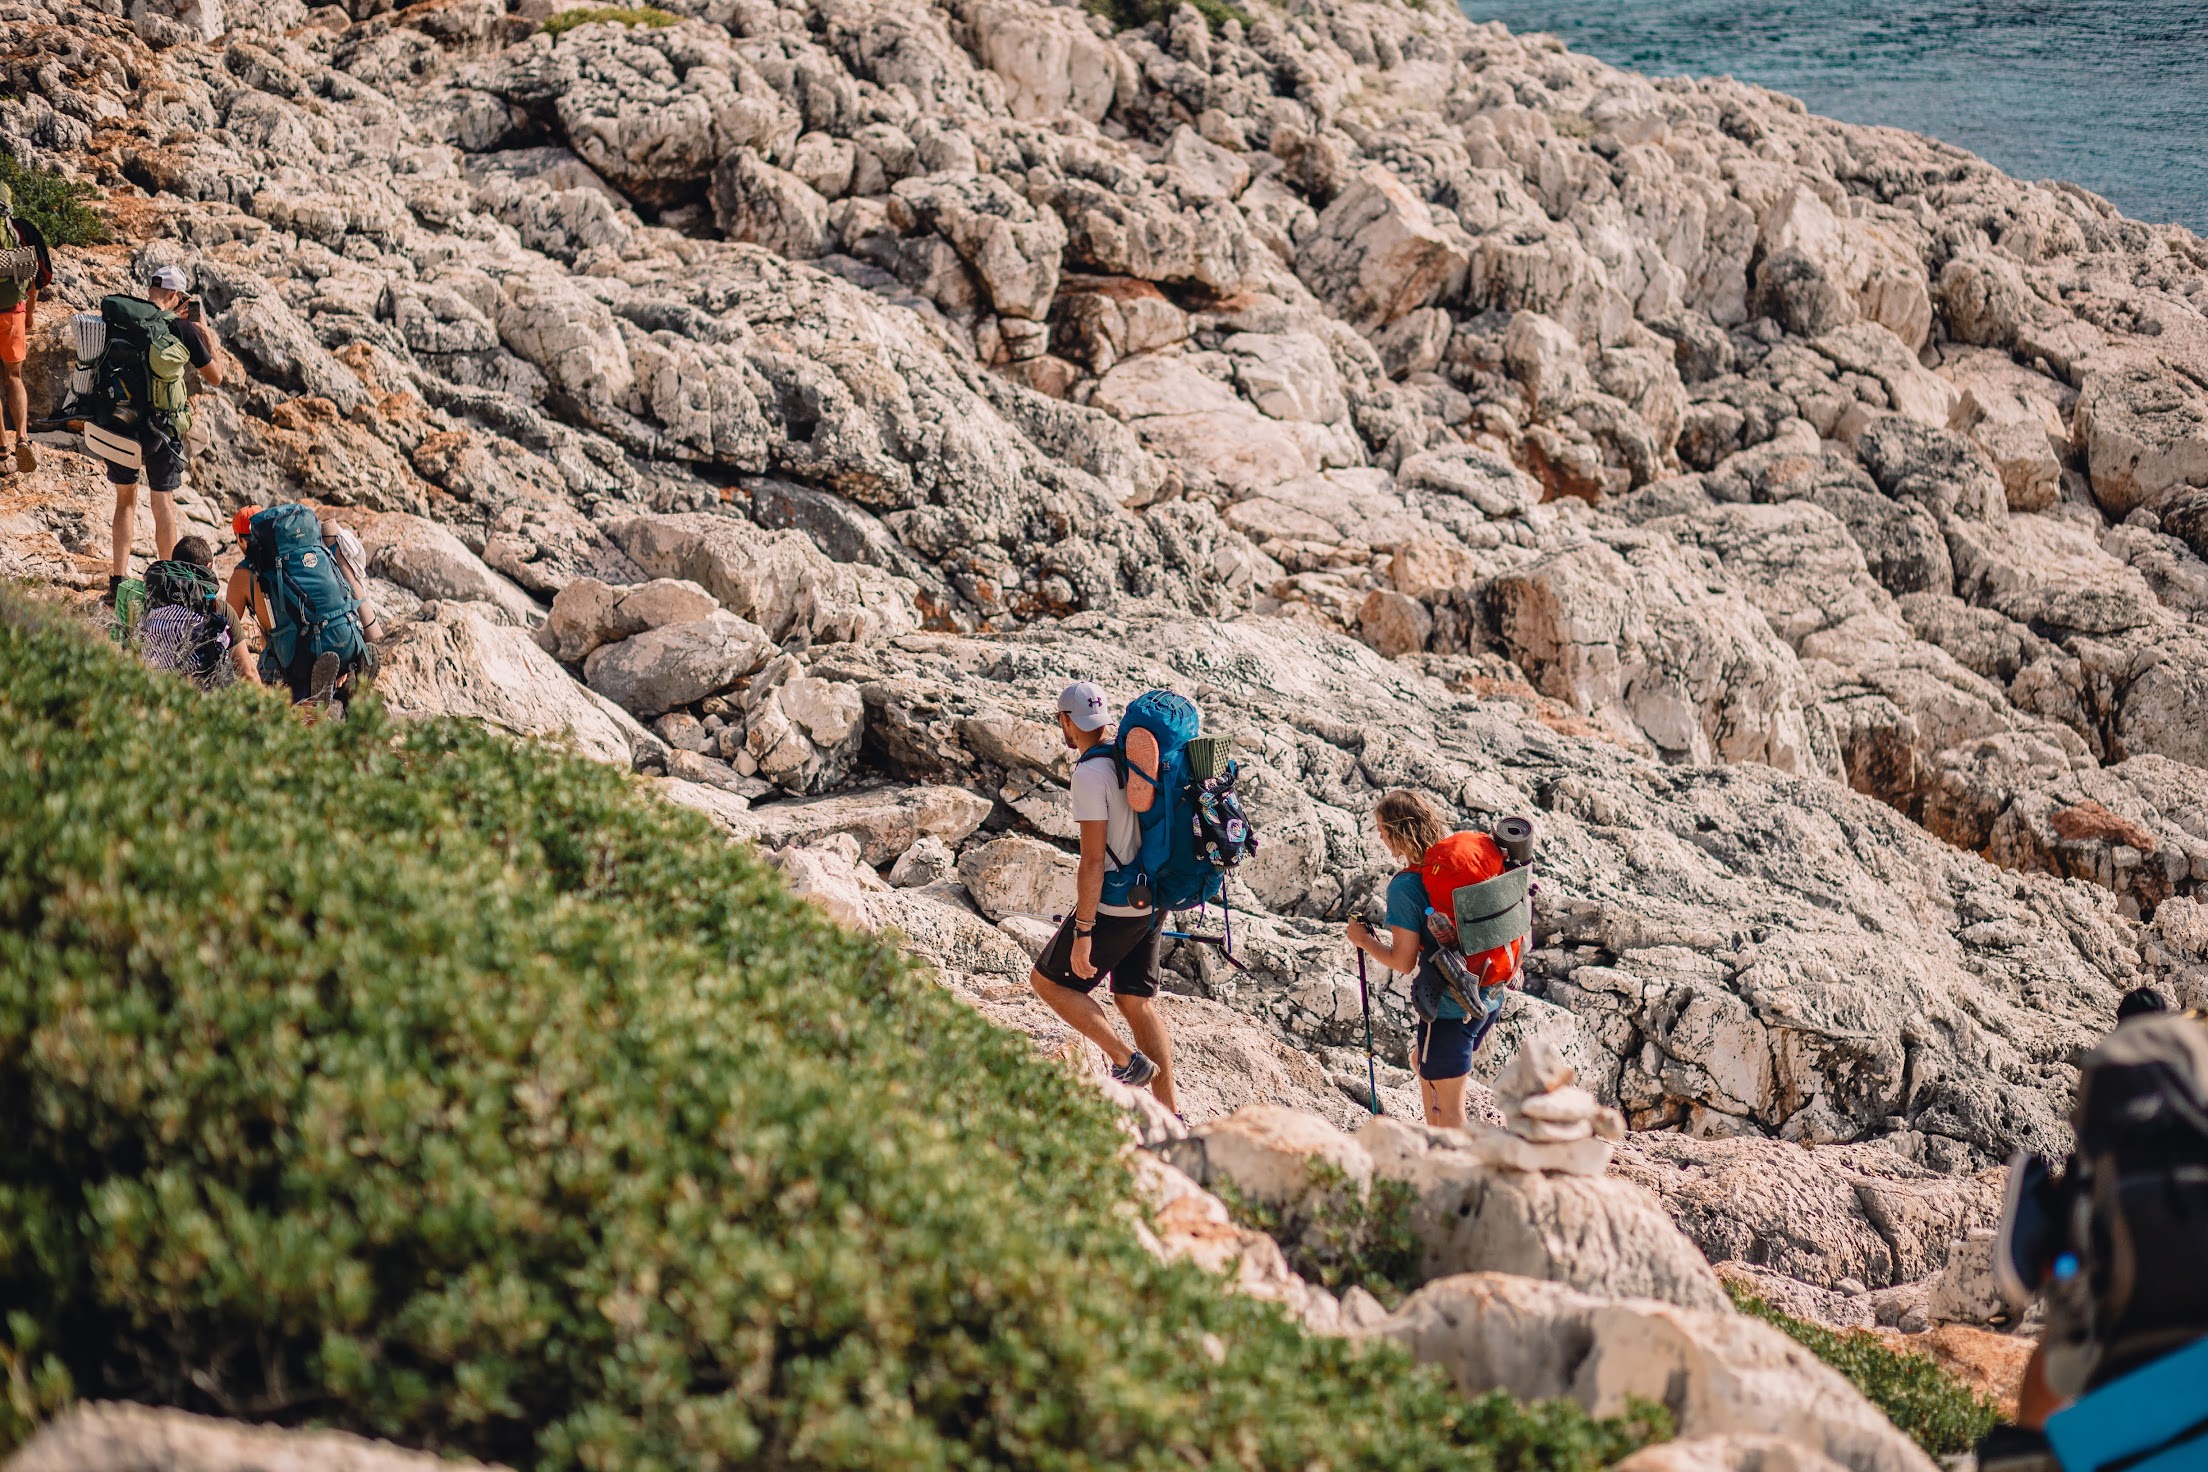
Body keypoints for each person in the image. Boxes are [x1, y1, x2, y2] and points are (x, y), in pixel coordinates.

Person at [1027, 680, 1179, 1113]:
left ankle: (1127, 1061)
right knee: (1134, 1000)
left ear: (1067, 721)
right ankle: (1172, 1116)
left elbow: (1093, 860)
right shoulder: (1132, 757)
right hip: (1154, 896)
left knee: (1048, 982)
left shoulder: (1090, 774)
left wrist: (1083, 931)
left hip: (1118, 902)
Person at [1347, 789, 1497, 1130]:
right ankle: (1436, 1138)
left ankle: (1446, 1155)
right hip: (1489, 992)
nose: (1380, 838)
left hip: (1451, 1005)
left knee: (1451, 1115)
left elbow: (1402, 962)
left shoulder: (1406, 887)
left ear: (1397, 833)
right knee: (1422, 1061)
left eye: (1382, 831)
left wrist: (1364, 940)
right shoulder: (1456, 865)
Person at [95, 264, 225, 602]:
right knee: (162, 501)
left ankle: (118, 580)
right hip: (161, 429)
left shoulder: (125, 318)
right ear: (176, 295)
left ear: (152, 290)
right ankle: (168, 586)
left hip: (120, 421)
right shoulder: (183, 328)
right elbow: (216, 376)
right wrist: (203, 331)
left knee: (125, 500)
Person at [225, 504, 372, 713]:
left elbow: (228, 628)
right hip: (329, 641)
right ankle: (349, 685)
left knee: (276, 712)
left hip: (291, 661)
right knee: (319, 698)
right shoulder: (293, 560)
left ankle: (312, 704)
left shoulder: (242, 575)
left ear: (240, 539)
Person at [136, 535, 257, 689]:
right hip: (200, 697)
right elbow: (248, 673)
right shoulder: (218, 608)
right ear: (209, 566)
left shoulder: (150, 600)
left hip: (155, 692)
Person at [0, 181, 51, 478]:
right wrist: (29, 314)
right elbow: (38, 277)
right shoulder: (21, 230)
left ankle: (1, 449)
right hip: (13, 313)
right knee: (14, 377)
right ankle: (22, 438)